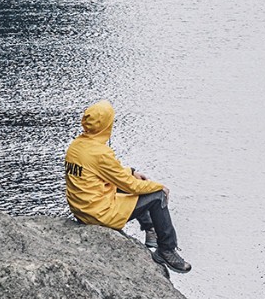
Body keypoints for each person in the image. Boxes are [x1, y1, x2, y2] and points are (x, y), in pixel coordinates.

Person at [63, 100, 191, 273]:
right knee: (157, 195)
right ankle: (166, 250)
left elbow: (101, 172)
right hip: (98, 215)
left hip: (81, 209)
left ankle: (150, 230)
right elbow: (131, 186)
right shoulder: (101, 153)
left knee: (135, 185)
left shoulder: (76, 146)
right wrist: (158, 186)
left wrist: (130, 171)